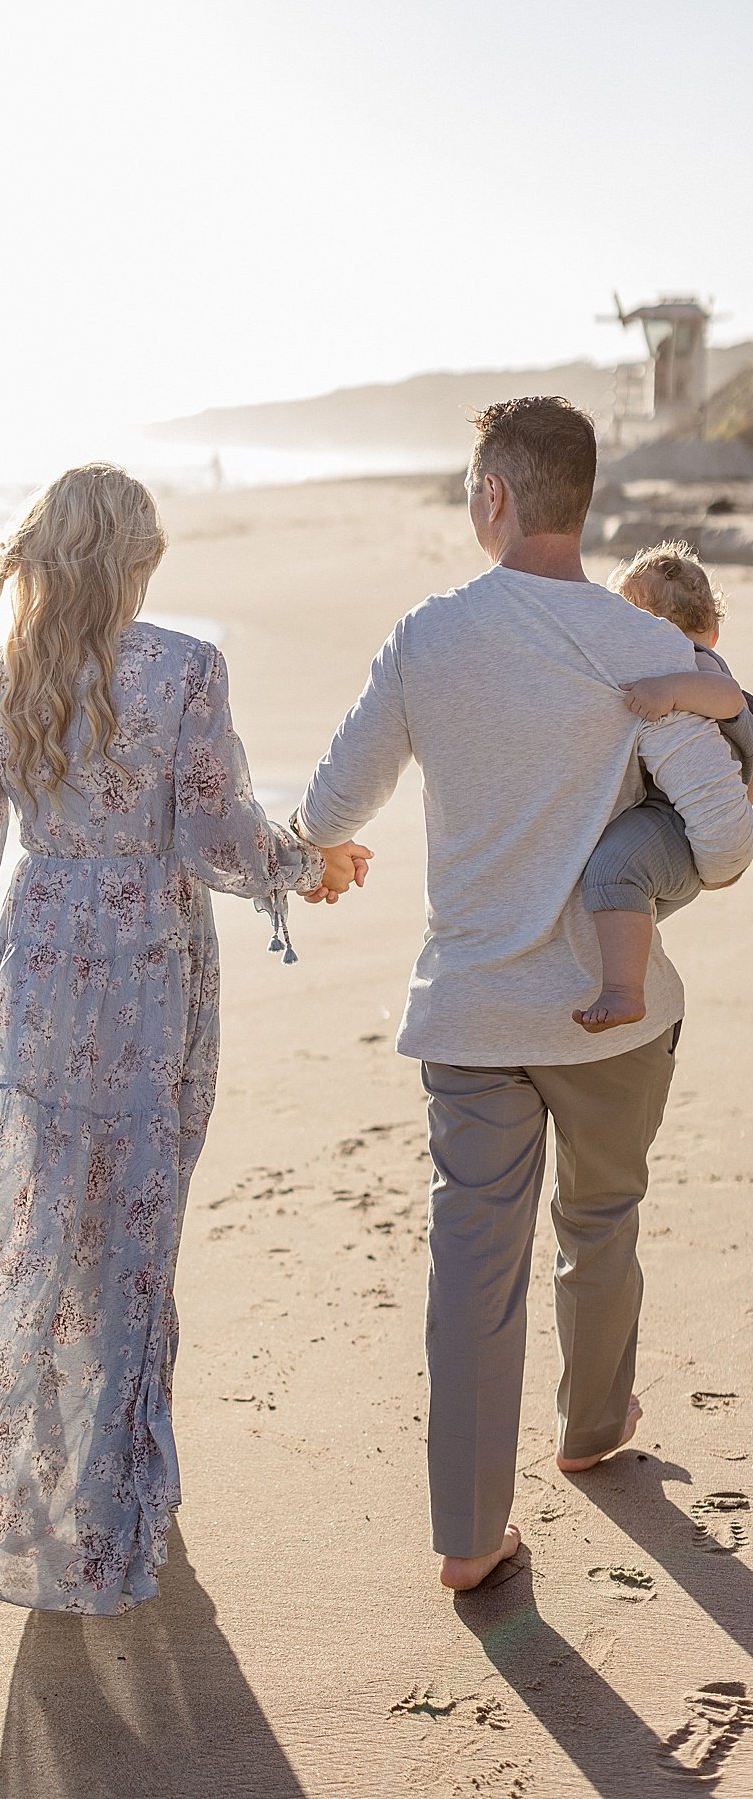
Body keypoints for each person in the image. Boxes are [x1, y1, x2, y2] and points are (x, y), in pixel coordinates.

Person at [0, 463, 359, 1615]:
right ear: (131, 562)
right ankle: (116, 1517)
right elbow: (218, 833)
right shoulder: (181, 669)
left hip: (38, 960)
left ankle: (36, 1493)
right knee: (132, 1230)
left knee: (30, 1226)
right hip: (147, 969)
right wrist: (306, 868)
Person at [293, 398, 753, 1592]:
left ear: (496, 494)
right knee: (601, 1224)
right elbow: (725, 835)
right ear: (581, 498)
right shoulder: (641, 645)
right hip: (618, 1018)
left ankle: (465, 1536)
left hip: (474, 1010)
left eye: (469, 485)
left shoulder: (427, 635)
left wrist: (315, 855)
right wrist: (637, 877)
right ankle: (593, 1432)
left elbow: (333, 807)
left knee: (471, 1265)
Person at [574, 541, 753, 1031]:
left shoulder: (693, 665)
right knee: (626, 901)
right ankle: (625, 961)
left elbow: (729, 698)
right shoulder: (693, 654)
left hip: (680, 818)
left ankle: (623, 991)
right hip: (684, 819)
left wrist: (671, 689)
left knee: (614, 875)